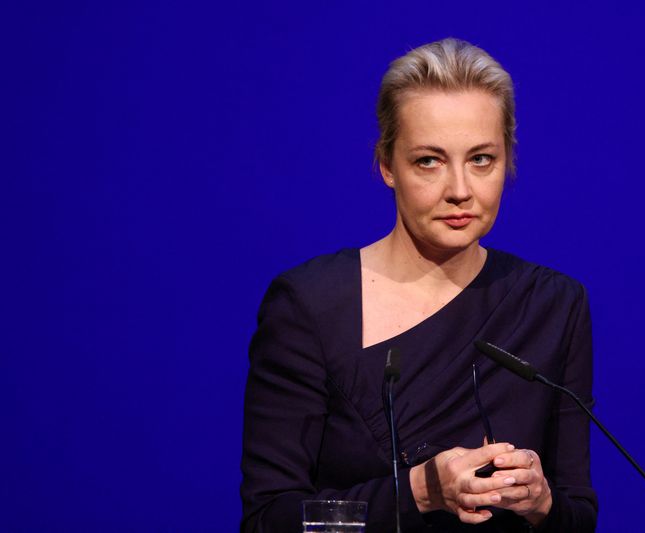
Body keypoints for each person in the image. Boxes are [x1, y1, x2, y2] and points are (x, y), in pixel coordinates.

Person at [240, 38, 597, 532]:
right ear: (387, 165)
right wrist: (420, 490)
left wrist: (542, 504)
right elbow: (268, 521)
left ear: (507, 161)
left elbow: (578, 515)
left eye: (481, 159)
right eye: (429, 160)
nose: (459, 190)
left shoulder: (553, 306)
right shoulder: (310, 306)